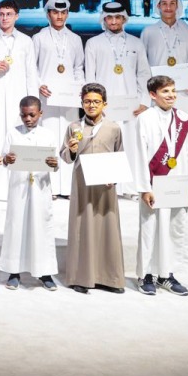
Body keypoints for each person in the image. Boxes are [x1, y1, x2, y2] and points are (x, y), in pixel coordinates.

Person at [131, 75, 188, 296]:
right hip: (154, 183)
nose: (171, 95)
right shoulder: (145, 118)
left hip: (179, 181)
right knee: (150, 228)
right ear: (153, 95)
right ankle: (146, 275)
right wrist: (144, 188)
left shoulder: (183, 118)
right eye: (165, 91)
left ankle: (166, 274)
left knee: (174, 229)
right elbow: (139, 155)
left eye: (173, 90)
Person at [141, 0, 188, 203]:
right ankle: (154, 185)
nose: (168, 8)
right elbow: (143, 66)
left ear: (178, 6)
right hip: (158, 95)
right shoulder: (149, 32)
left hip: (185, 94)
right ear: (158, 6)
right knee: (157, 139)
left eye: (172, 3)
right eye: (164, 4)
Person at [61, 83, 126, 294]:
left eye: (96, 101)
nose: (91, 105)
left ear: (104, 103)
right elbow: (64, 156)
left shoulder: (113, 128)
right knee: (82, 229)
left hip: (105, 186)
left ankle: (110, 278)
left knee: (107, 229)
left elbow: (120, 156)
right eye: (87, 101)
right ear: (81, 103)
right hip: (82, 185)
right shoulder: (74, 127)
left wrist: (114, 178)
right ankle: (81, 277)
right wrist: (70, 151)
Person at [84, 2, 151, 197]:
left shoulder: (136, 43)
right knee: (103, 144)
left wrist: (144, 101)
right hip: (104, 105)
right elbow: (90, 76)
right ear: (103, 20)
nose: (114, 21)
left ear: (124, 19)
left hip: (132, 105)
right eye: (109, 18)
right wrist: (94, 104)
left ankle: (129, 188)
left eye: (118, 17)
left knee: (131, 144)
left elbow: (144, 74)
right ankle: (104, 187)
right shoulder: (94, 43)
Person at [0, 0, 38, 201]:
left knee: (17, 136)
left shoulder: (26, 41)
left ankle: (19, 185)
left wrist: (34, 102)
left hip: (18, 96)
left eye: (9, 14)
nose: (4, 18)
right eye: (1, 14)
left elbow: (31, 73)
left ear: (16, 16)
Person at [0, 96, 59, 290]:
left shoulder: (48, 135)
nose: (28, 119)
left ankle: (44, 272)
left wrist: (54, 164)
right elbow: (4, 159)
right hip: (19, 187)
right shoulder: (13, 134)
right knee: (17, 227)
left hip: (40, 188)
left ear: (40, 113)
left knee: (41, 228)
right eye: (24, 115)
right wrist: (7, 159)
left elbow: (55, 164)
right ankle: (13, 271)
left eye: (32, 115)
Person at [32, 0, 85, 199]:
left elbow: (78, 67)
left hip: (70, 98)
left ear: (67, 14)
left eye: (63, 13)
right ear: (48, 14)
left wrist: (80, 87)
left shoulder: (75, 39)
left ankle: (70, 187)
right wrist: (39, 85)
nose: (59, 16)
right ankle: (50, 187)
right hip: (48, 98)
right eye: (55, 12)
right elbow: (32, 67)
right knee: (49, 138)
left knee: (71, 138)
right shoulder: (39, 38)